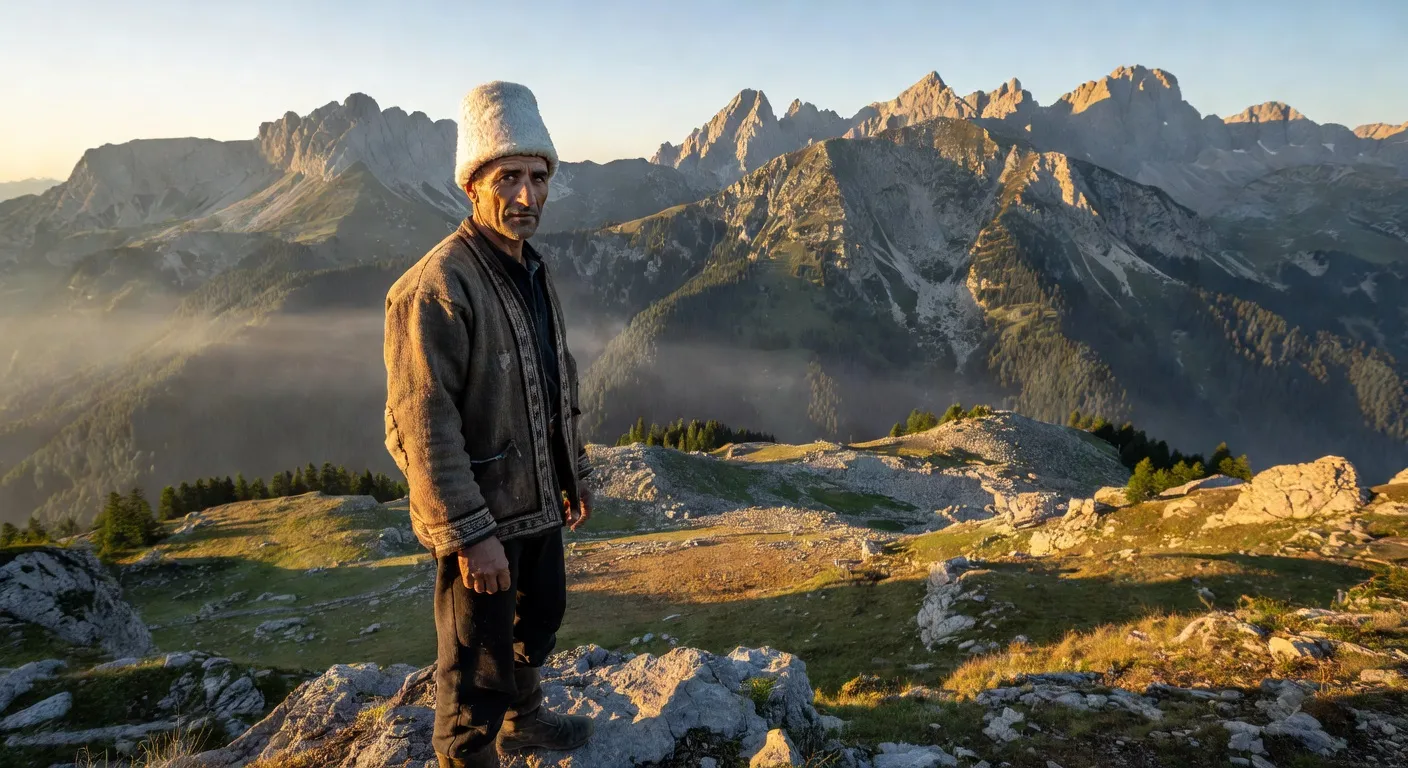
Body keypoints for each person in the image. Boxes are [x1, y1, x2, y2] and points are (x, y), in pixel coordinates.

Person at [382, 81, 593, 768]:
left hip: (537, 508)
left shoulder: (531, 270)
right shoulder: (436, 287)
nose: (527, 196)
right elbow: (423, 424)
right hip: (483, 522)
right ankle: (467, 757)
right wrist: (471, 537)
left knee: (540, 623)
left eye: (538, 177)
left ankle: (525, 722)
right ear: (472, 185)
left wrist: (572, 471)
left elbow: (557, 374)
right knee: (475, 666)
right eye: (509, 177)